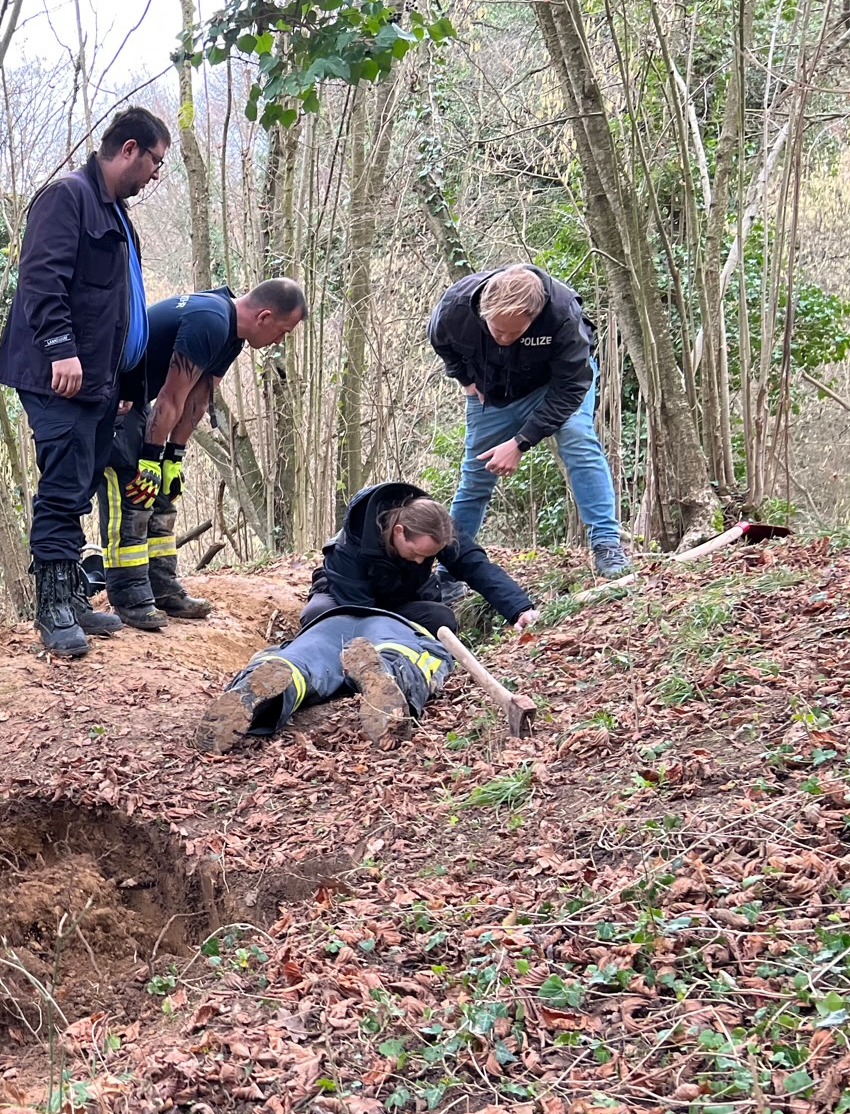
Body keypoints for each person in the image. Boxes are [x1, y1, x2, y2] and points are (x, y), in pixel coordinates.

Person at [0, 106, 172, 657]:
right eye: (155, 161)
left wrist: (125, 382)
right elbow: (41, 280)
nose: (156, 175)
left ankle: (71, 596)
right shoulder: (66, 197)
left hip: (100, 382)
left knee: (82, 486)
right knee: (63, 486)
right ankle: (50, 607)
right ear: (128, 150)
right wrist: (60, 350)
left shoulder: (116, 213)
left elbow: (121, 307)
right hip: (58, 378)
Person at [98, 280, 307, 627]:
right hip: (112, 396)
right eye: (282, 331)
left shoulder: (231, 335)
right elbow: (169, 398)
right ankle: (130, 596)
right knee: (133, 490)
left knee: (162, 492)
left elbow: (197, 400)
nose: (279, 340)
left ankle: (162, 587)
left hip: (140, 400)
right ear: (265, 316)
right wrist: (150, 458)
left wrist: (172, 458)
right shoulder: (210, 320)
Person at [427, 263, 632, 580]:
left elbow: (573, 387)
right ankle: (451, 569)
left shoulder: (562, 313)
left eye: (515, 332)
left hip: (554, 386)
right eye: (498, 330)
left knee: (578, 437)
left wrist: (520, 443)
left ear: (534, 317)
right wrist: (466, 380)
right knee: (476, 475)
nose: (505, 338)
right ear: (484, 311)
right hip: (492, 393)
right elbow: (440, 340)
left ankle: (606, 544)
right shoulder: (457, 306)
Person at [193, 609, 456, 752]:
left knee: (296, 664)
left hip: (327, 622)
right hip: (394, 624)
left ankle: (253, 691)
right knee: (402, 655)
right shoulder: (426, 608)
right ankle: (384, 673)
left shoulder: (341, 556)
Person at [305, 482, 538, 635]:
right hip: (347, 600)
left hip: (401, 599)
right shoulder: (349, 546)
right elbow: (359, 613)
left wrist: (519, 608)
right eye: (416, 553)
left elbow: (477, 567)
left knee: (442, 619)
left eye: (428, 557)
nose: (419, 562)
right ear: (399, 532)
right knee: (318, 615)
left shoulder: (438, 526)